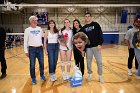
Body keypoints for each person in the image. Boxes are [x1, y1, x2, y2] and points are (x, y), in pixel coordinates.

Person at [82, 12, 104, 83]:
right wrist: (83, 49)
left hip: (96, 47)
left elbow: (100, 34)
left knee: (99, 62)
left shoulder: (96, 24)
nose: (87, 17)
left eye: (88, 16)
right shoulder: (84, 28)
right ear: (84, 18)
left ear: (91, 17)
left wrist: (100, 44)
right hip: (88, 48)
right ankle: (90, 74)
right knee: (88, 62)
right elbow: (83, 39)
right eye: (86, 16)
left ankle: (100, 76)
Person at [24, 16, 46, 84]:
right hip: (32, 49)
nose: (35, 21)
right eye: (34, 20)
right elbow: (25, 41)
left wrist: (50, 32)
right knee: (32, 65)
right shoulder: (27, 30)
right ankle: (33, 78)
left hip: (40, 49)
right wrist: (26, 51)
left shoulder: (39, 29)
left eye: (36, 20)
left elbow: (44, 36)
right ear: (30, 21)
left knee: (42, 63)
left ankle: (42, 75)